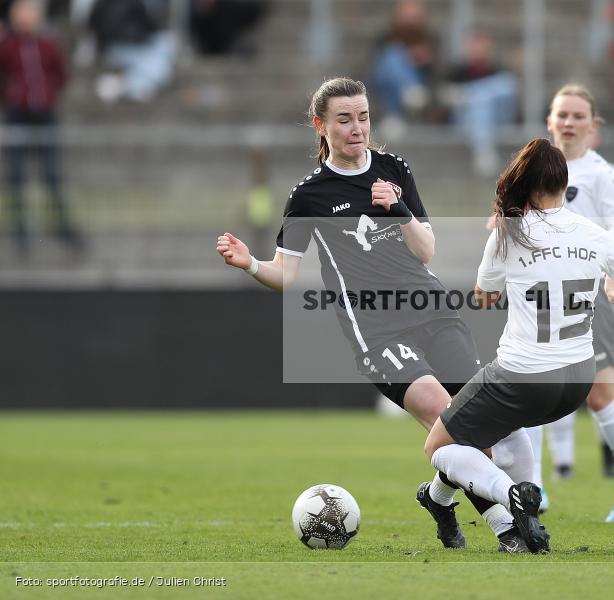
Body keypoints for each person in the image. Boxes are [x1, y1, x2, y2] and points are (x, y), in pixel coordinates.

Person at [216, 77, 532, 553]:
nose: (357, 128)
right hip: (376, 330)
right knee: (447, 417)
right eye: (344, 119)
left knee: (473, 424)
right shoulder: (309, 196)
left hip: (434, 312)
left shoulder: (393, 169)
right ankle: (507, 526)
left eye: (363, 117)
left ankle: (440, 497)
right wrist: (251, 264)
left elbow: (426, 249)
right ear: (321, 126)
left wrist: (399, 209)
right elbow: (285, 274)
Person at [424, 138, 614, 553]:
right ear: (565, 186)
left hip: (524, 374)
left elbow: (483, 295)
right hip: (577, 381)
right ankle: (456, 505)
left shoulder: (508, 234)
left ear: (525, 185)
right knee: (508, 432)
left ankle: (511, 496)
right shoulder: (596, 236)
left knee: (439, 445)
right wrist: (610, 296)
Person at [525, 83, 614, 522]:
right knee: (529, 389)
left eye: (578, 115)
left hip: (590, 296)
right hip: (541, 296)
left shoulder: (602, 175)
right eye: (562, 114)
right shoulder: (532, 165)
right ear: (549, 120)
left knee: (600, 396)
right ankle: (532, 488)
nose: (569, 122)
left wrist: (580, 241)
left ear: (592, 125)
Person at [0, 0, 79, 255]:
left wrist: (49, 95)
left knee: (52, 175)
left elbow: (61, 74)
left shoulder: (48, 45)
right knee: (17, 176)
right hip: (17, 114)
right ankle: (21, 232)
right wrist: (12, 96)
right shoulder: (7, 47)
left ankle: (63, 228)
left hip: (45, 114)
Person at [441, 31, 518, 177]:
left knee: (504, 85)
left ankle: (483, 153)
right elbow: (445, 98)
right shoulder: (457, 72)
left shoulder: (497, 70)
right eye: (475, 47)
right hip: (464, 122)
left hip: (497, 120)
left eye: (482, 48)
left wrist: (467, 94)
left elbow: (510, 91)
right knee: (481, 102)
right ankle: (484, 151)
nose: (478, 52)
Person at [368, 0, 436, 137]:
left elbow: (438, 70)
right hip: (385, 82)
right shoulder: (385, 37)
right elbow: (375, 66)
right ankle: (409, 92)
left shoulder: (430, 38)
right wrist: (408, 57)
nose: (410, 17)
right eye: (406, 12)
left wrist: (424, 61)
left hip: (420, 80)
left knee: (395, 56)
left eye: (414, 13)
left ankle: (394, 114)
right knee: (393, 54)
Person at [89, 0, 175, 102]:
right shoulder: (134, 4)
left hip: (120, 46)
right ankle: (125, 87)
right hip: (123, 47)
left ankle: (124, 85)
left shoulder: (101, 4)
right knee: (158, 67)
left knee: (162, 47)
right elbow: (147, 26)